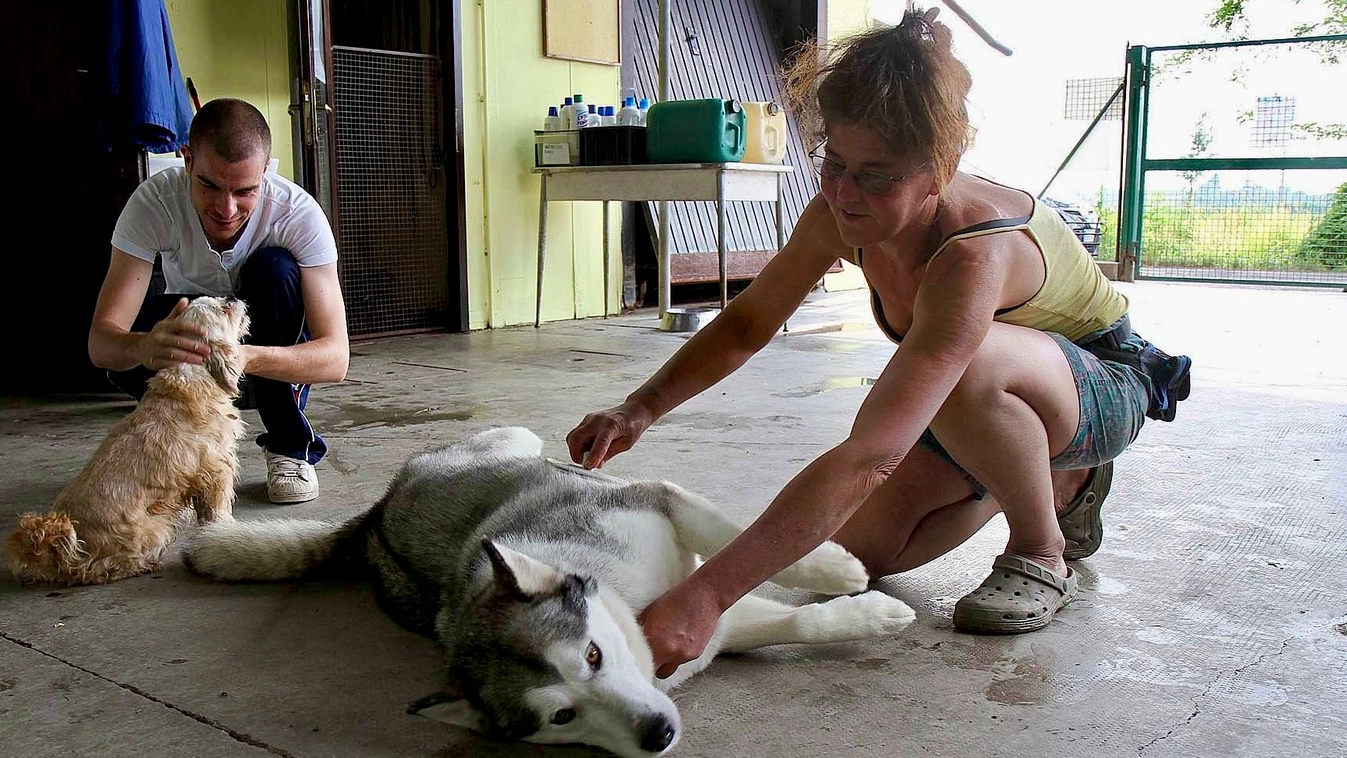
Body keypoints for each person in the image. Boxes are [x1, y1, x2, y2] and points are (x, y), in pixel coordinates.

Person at [566, 9, 1190, 677]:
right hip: (985, 401)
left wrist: (709, 596)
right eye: (832, 161)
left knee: (967, 368)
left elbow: (871, 455)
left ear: (939, 169)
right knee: (850, 560)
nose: (843, 192)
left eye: (876, 174)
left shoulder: (974, 252)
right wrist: (639, 407)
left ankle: (1041, 546)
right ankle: (1029, 468)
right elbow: (749, 322)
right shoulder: (837, 211)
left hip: (1101, 384)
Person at [89, 98, 349, 505]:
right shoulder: (153, 202)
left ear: (265, 172)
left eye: (244, 191)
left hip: (266, 356)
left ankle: (290, 447)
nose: (226, 209)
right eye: (209, 185)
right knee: (141, 323)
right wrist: (142, 345)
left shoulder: (298, 214)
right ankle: (183, 442)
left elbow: (336, 359)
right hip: (191, 358)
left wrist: (244, 358)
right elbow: (101, 344)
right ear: (187, 159)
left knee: (276, 269)